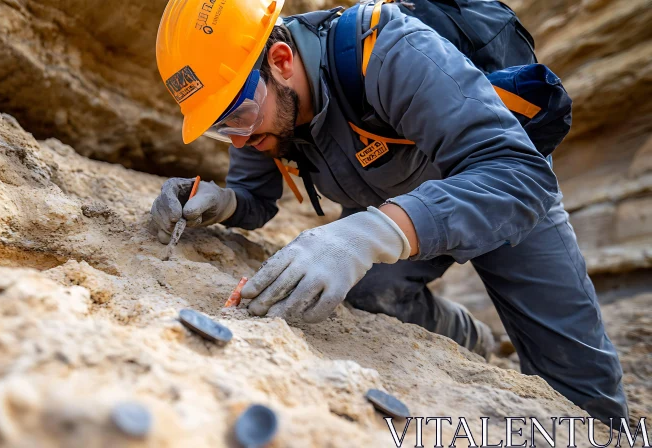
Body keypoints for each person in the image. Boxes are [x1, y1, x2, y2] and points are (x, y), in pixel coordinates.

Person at [152, 0, 628, 426]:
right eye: (219, 128)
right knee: (371, 293)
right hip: (391, 201)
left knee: (579, 392)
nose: (237, 139)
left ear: (280, 61)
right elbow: (255, 197)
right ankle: (471, 340)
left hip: (493, 188)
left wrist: (368, 233)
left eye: (236, 118)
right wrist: (223, 202)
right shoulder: (260, 109)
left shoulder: (387, 51)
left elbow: (517, 176)